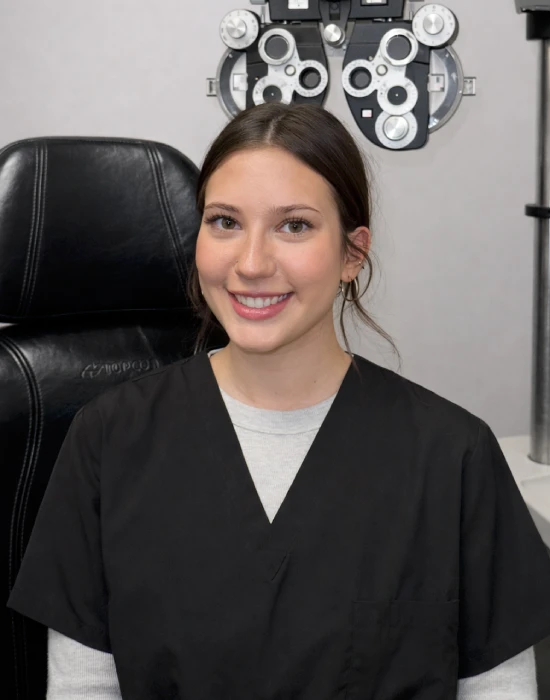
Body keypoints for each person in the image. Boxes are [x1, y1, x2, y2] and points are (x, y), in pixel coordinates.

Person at [7, 102, 550, 700]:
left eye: (294, 226)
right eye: (224, 222)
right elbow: (83, 686)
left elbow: (500, 687)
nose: (251, 264)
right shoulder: (108, 440)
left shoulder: (454, 457)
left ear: (352, 254)